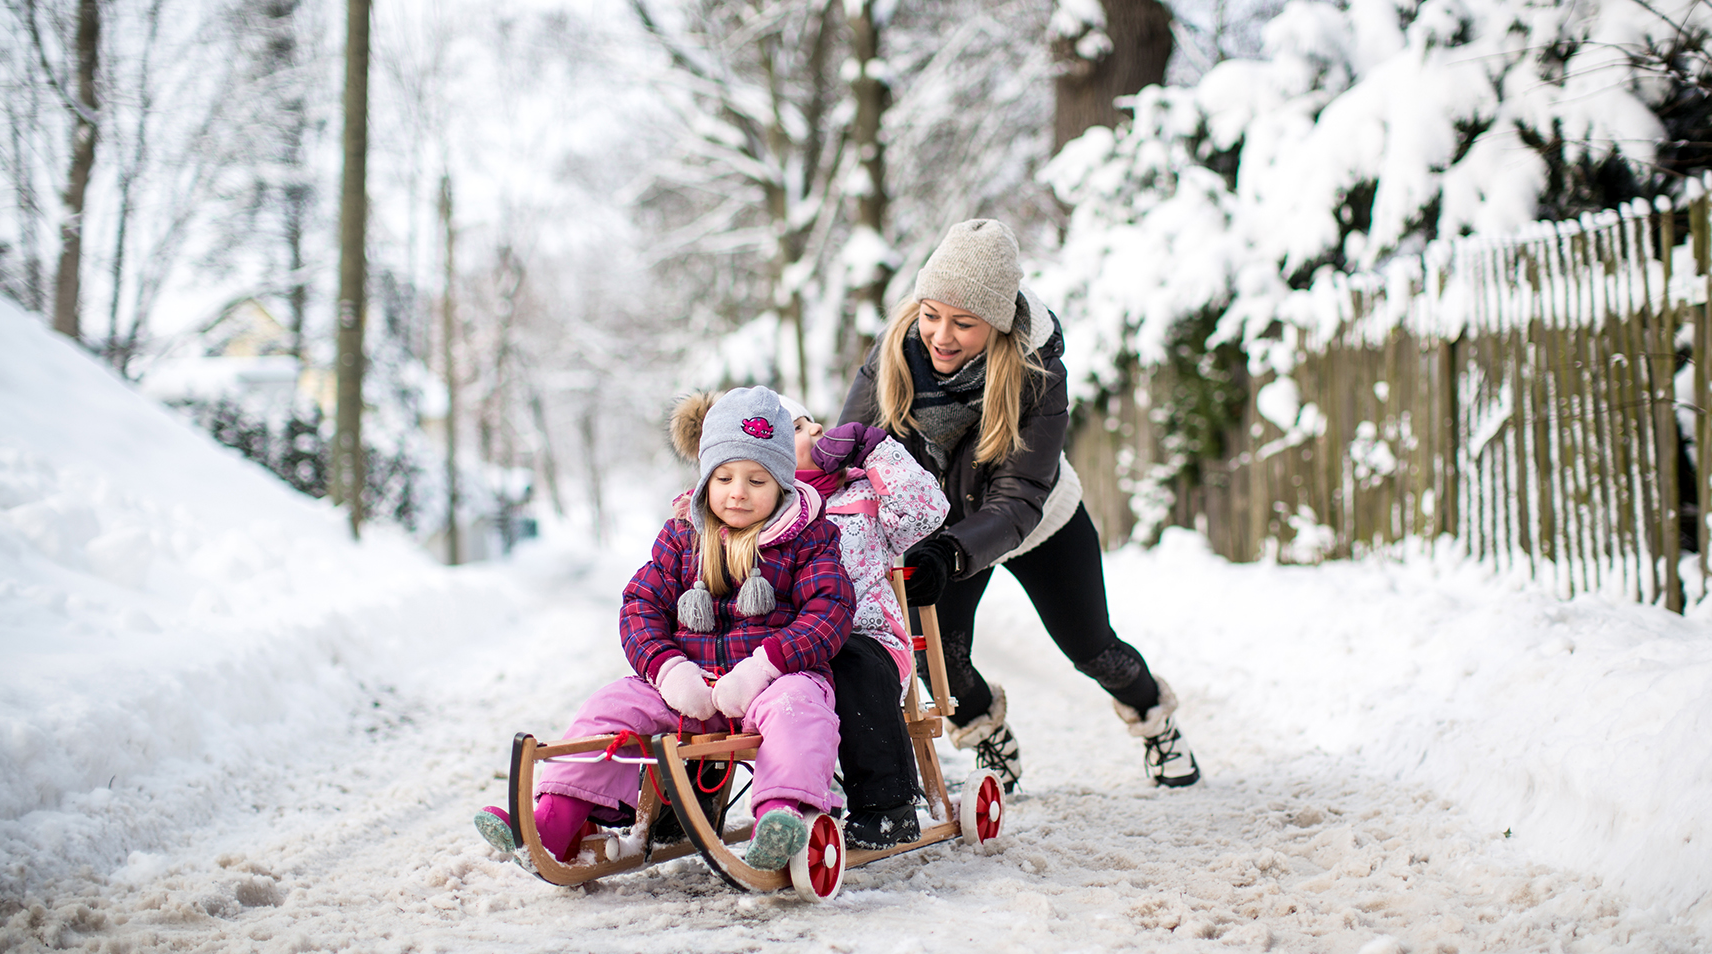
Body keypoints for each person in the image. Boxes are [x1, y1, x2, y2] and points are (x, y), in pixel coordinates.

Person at [838, 218, 1201, 793]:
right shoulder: (893, 354)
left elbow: (1018, 498)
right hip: (940, 533)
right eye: (931, 314)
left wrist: (951, 553)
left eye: (965, 323)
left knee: (1092, 648)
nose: (942, 336)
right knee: (940, 662)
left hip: (1037, 526)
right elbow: (849, 449)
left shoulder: (1036, 375)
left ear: (1000, 323)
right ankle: (988, 740)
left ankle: (1155, 718)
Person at [475, 386, 855, 870]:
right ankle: (554, 818)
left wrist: (765, 667)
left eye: (757, 480)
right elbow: (640, 606)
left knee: (800, 710)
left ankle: (780, 818)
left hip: (770, 683)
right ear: (705, 481)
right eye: (724, 478)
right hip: (689, 688)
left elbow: (830, 611)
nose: (737, 492)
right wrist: (668, 669)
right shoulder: (682, 537)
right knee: (613, 704)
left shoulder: (810, 537)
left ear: (781, 484)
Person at [670, 390, 949, 849]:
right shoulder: (743, 510)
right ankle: (689, 806)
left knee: (850, 663)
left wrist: (876, 447)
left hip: (863, 637)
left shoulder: (862, 493)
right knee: (708, 669)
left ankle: (886, 807)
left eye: (815, 423)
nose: (819, 431)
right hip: (776, 649)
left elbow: (927, 512)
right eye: (798, 428)